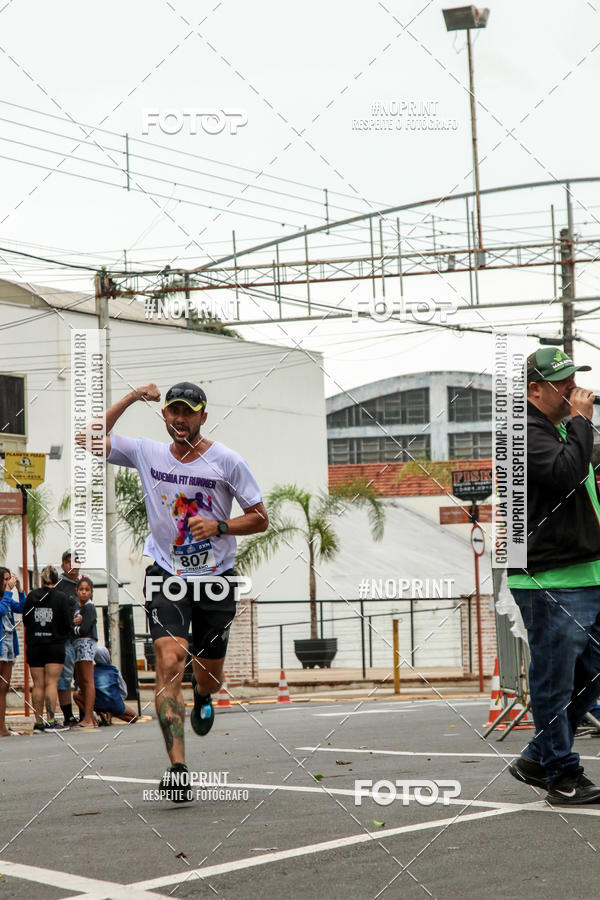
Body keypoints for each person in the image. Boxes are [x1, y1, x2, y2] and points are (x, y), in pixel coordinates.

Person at [76, 380, 268, 802]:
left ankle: (203, 694)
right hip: (167, 573)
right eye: (173, 411)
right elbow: (87, 439)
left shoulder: (227, 461)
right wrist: (130, 397)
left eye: (188, 413)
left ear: (203, 417)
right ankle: (178, 769)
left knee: (209, 676)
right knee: (168, 659)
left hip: (216, 578)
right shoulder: (147, 453)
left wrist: (220, 526)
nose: (180, 419)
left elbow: (259, 517)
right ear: (164, 414)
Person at [508, 347, 600, 804]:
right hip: (549, 577)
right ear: (534, 390)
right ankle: (561, 775)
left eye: (573, 378)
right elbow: (565, 474)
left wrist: (581, 427)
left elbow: (584, 464)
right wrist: (581, 420)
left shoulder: (561, 430)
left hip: (585, 571)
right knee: (554, 680)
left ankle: (537, 757)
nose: (572, 388)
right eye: (561, 382)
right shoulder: (522, 433)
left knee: (592, 672)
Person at [23, 565, 72, 733]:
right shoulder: (61, 598)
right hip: (54, 645)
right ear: (56, 581)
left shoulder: (32, 596)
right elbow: (67, 623)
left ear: (42, 580)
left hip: (35, 645)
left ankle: (38, 723)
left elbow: (26, 619)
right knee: (51, 683)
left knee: (37, 684)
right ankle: (50, 721)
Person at [53, 551, 80, 727]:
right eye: (69, 562)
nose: (72, 566)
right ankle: (68, 716)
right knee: (64, 679)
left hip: (83, 639)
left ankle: (86, 714)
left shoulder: (83, 584)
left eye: (75, 562)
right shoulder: (59, 585)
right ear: (63, 565)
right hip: (65, 640)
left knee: (83, 679)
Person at [0, 568, 26, 737]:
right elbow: (1, 611)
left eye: (9, 578)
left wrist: (20, 590)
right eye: (5, 579)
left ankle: (2, 726)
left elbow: (22, 607)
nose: (8, 582)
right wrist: (9, 591)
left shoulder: (8, 597)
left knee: (4, 688)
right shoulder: (5, 598)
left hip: (9, 645)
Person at [86, 646, 138, 725]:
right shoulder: (115, 671)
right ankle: (112, 713)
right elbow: (124, 692)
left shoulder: (91, 671)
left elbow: (83, 689)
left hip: (97, 704)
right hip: (114, 702)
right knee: (134, 717)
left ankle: (95, 718)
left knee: (76, 695)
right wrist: (118, 701)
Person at [72, 576, 98, 728]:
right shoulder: (78, 608)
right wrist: (74, 626)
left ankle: (88, 718)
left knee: (87, 681)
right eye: (81, 589)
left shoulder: (89, 608)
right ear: (76, 591)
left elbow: (84, 629)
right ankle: (91, 718)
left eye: (87, 590)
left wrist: (74, 627)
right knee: (81, 682)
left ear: (91, 592)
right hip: (78, 645)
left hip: (86, 644)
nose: (84, 592)